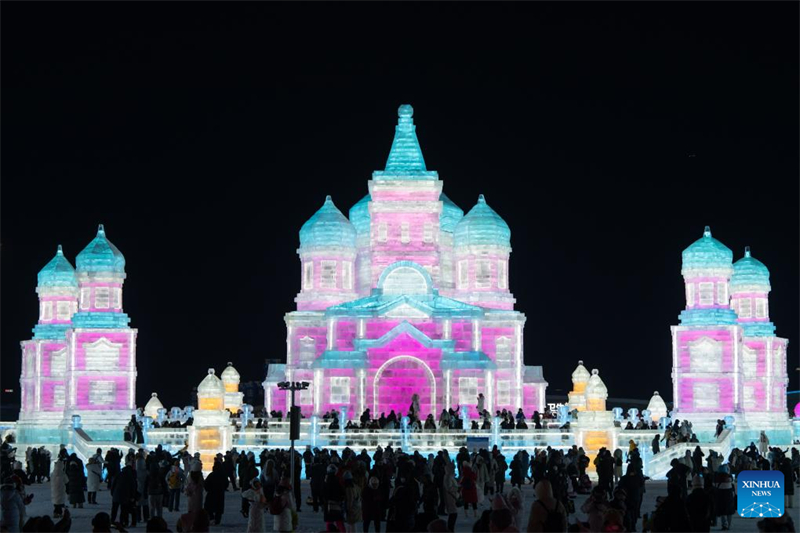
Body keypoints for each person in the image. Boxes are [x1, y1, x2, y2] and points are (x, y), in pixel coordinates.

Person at [110, 456, 137, 528]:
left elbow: (113, 484)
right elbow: (133, 487)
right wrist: (132, 496)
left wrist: (112, 493)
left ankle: (112, 521)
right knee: (124, 510)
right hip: (125, 496)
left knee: (114, 509)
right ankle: (123, 522)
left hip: (116, 494)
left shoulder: (119, 474)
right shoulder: (131, 476)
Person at [713, 465, 735, 531]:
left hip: (720, 494)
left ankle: (724, 524)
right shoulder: (729, 476)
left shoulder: (716, 477)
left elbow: (714, 485)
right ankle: (729, 525)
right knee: (729, 512)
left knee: (722, 511)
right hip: (729, 494)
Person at [442, 463, 459, 532]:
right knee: (453, 515)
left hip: (451, 497)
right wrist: (457, 488)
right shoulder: (448, 477)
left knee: (453, 515)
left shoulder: (449, 476)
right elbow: (449, 488)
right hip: (451, 498)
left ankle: (450, 530)